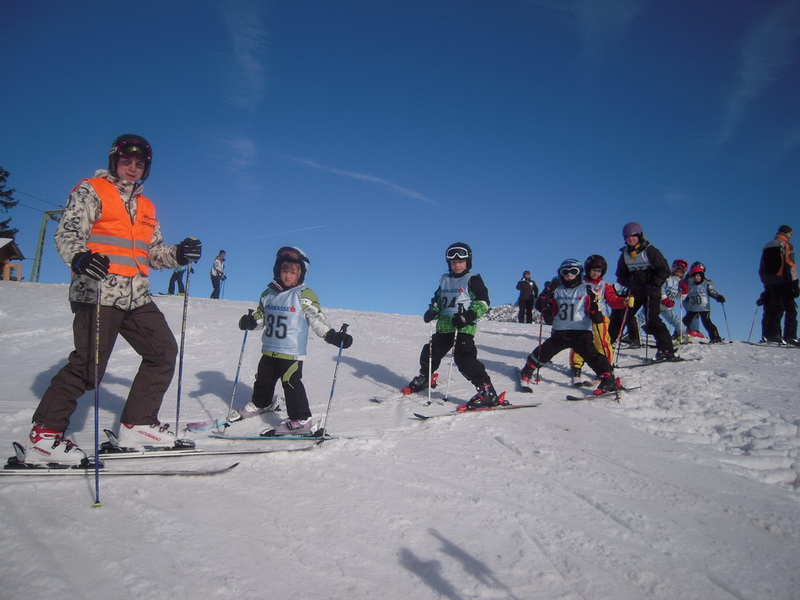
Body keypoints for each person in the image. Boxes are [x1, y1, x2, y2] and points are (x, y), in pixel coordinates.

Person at [26, 134, 202, 464]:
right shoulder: (92, 190)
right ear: (114, 162)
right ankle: (45, 437)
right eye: (126, 161)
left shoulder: (147, 206)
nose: (132, 168)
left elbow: (152, 252)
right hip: (97, 291)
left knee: (162, 352)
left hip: (136, 296)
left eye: (139, 164)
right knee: (88, 366)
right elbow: (68, 233)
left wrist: (179, 253)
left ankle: (138, 424)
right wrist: (79, 258)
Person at [232, 247, 352, 434]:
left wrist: (331, 335)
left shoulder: (304, 295)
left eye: (293, 272)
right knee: (263, 379)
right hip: (269, 348)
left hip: (291, 352)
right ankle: (261, 403)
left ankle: (301, 419)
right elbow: (262, 315)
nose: (287, 275)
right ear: (277, 270)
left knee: (290, 383)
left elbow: (316, 319)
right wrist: (251, 321)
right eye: (284, 270)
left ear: (301, 274)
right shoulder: (268, 293)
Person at [404, 242, 502, 410]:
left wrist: (469, 316)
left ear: (468, 262)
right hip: (444, 326)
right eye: (453, 262)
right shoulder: (445, 280)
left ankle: (487, 392)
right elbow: (438, 300)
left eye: (461, 262)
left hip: (463, 326)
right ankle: (425, 377)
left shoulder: (472, 279)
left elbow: (483, 302)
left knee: (464, 358)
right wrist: (433, 311)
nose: (457, 265)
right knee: (430, 352)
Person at [519, 259, 620, 395]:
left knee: (593, 356)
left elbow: (593, 307)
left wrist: (595, 314)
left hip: (581, 332)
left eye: (573, 271)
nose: (569, 275)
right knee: (544, 352)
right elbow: (542, 305)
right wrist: (545, 298)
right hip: (560, 331)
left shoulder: (586, 289)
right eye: (565, 272)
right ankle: (527, 370)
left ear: (579, 273)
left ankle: (608, 379)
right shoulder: (557, 289)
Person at [611, 222, 679, 362]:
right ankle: (605, 344)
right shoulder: (625, 255)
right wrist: (628, 282)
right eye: (628, 237)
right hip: (635, 291)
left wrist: (653, 284)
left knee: (652, 319)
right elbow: (620, 274)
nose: (631, 239)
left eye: (634, 236)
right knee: (621, 316)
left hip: (651, 291)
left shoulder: (650, 251)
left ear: (640, 236)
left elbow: (664, 270)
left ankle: (666, 350)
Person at [569, 255, 633, 386]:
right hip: (582, 317)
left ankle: (605, 367)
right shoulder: (580, 283)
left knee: (602, 342)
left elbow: (612, 300)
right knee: (580, 341)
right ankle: (576, 365)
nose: (595, 273)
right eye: (593, 270)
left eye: (598, 271)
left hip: (600, 317)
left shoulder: (605, 285)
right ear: (588, 269)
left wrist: (624, 302)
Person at [759, 225, 799, 345]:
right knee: (791, 309)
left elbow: (761, 267)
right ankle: (790, 336)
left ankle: (773, 334)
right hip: (784, 280)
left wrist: (766, 282)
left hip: (770, 281)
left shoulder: (767, 245)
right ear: (786, 233)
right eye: (791, 233)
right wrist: (795, 283)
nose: (791, 236)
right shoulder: (787, 245)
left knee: (777, 308)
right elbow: (790, 264)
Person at [682, 262, 725, 343]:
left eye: (698, 276)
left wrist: (718, 297)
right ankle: (678, 334)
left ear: (702, 275)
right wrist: (685, 296)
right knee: (685, 321)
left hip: (704, 308)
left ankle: (715, 337)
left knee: (707, 323)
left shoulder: (706, 283)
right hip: (692, 307)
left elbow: (712, 292)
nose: (696, 278)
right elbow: (684, 290)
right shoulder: (690, 283)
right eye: (694, 276)